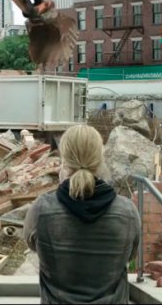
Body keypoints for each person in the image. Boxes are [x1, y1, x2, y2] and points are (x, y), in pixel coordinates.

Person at [24, 125, 141, 304]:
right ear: (100, 158)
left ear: (64, 158)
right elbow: (131, 255)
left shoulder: (42, 209)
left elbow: (34, 246)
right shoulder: (128, 212)